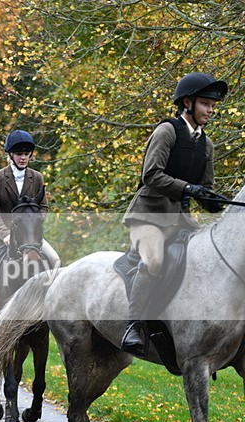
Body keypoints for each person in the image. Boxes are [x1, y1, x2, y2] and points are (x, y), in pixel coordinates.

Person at [120, 72, 227, 356]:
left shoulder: (206, 144)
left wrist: (214, 202)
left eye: (213, 105)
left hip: (180, 220)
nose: (211, 110)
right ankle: (135, 326)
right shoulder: (167, 131)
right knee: (154, 260)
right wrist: (189, 188)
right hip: (149, 216)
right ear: (187, 103)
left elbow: (204, 188)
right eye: (206, 103)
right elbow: (151, 174)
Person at [0, 130, 60, 324]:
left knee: (55, 260)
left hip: (28, 235)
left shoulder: (37, 177)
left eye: (26, 154)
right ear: (10, 155)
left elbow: (44, 207)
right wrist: (6, 234)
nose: (23, 157)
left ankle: (51, 308)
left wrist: (33, 223)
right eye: (19, 154)